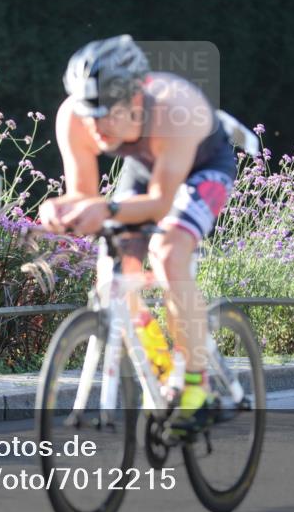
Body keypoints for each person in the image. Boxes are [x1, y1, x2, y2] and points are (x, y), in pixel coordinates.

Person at [39, 35, 239, 430]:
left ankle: (196, 386)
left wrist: (107, 208)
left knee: (168, 252)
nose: (95, 127)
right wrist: (64, 209)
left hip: (203, 165)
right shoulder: (73, 118)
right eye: (87, 113)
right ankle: (161, 370)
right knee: (111, 277)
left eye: (105, 114)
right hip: (145, 167)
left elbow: (162, 204)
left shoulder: (172, 108)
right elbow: (85, 195)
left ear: (134, 99)